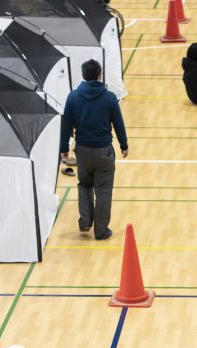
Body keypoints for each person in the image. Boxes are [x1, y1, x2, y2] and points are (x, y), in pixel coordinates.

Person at [59, 59, 129, 241]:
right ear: (100, 76)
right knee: (103, 191)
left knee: (85, 185)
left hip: (82, 151)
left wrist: (64, 148)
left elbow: (65, 125)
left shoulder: (73, 97)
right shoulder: (109, 98)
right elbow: (118, 123)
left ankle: (85, 221)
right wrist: (124, 145)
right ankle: (101, 230)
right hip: (104, 151)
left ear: (83, 76)